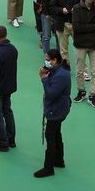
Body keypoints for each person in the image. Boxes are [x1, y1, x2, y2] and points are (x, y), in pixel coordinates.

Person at [34, 48, 71, 177]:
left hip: (56, 110)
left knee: (50, 136)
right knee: (56, 134)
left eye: (48, 60)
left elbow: (51, 94)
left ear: (55, 60)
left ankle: (48, 168)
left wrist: (44, 78)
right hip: (59, 108)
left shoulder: (61, 75)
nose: (46, 62)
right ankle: (59, 160)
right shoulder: (59, 70)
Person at [71, 0, 95, 108]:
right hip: (80, 45)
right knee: (79, 71)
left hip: (94, 45)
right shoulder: (76, 9)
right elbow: (77, 27)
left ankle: (93, 95)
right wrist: (92, 27)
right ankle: (81, 92)